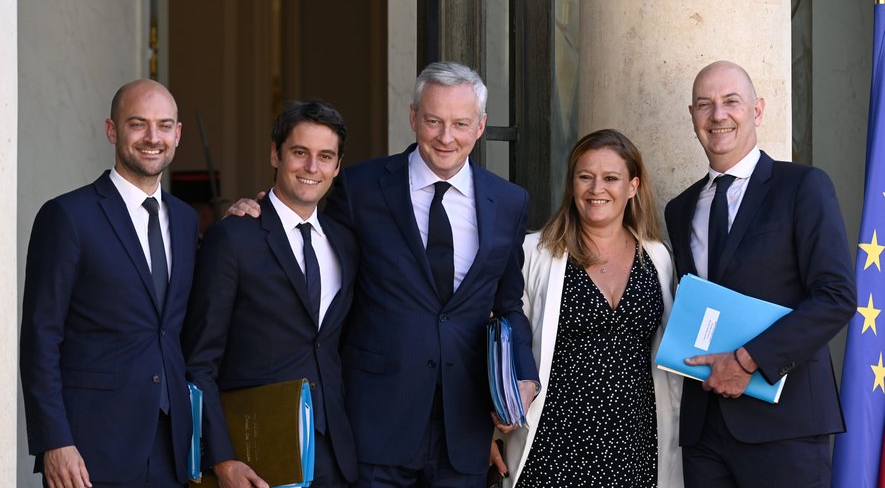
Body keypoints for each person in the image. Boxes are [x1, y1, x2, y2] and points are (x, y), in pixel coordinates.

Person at [228, 61, 539, 486]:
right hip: (376, 424)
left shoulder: (509, 202)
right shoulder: (359, 187)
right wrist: (256, 215)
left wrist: (523, 375)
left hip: (464, 429)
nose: (446, 137)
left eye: (460, 124)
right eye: (433, 121)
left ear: (481, 126)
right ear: (413, 117)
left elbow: (507, 305)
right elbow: (304, 241)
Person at [665, 60, 855, 486]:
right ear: (692, 116)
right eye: (704, 104)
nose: (718, 114)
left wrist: (748, 360)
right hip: (703, 429)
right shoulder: (680, 209)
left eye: (731, 101)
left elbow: (836, 296)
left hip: (784, 425)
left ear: (758, 110)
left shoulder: (803, 186)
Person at [20, 79, 199, 487]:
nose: (152, 137)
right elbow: (41, 336)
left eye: (164, 125)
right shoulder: (68, 216)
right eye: (138, 124)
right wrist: (54, 441)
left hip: (171, 446)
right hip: (89, 450)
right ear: (112, 131)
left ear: (177, 134)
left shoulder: (186, 220)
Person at [184, 100, 358, 487]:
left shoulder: (346, 243)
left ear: (337, 166)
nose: (312, 167)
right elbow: (200, 360)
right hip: (257, 455)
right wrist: (222, 458)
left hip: (335, 459)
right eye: (300, 152)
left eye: (325, 156)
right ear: (275, 155)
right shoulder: (232, 238)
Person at [499, 129, 683, 487]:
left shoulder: (657, 257)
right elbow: (501, 343)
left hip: (636, 446)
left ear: (632, 186)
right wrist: (490, 431)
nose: (597, 188)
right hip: (551, 447)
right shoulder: (534, 253)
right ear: (572, 184)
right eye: (585, 177)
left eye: (611, 178)